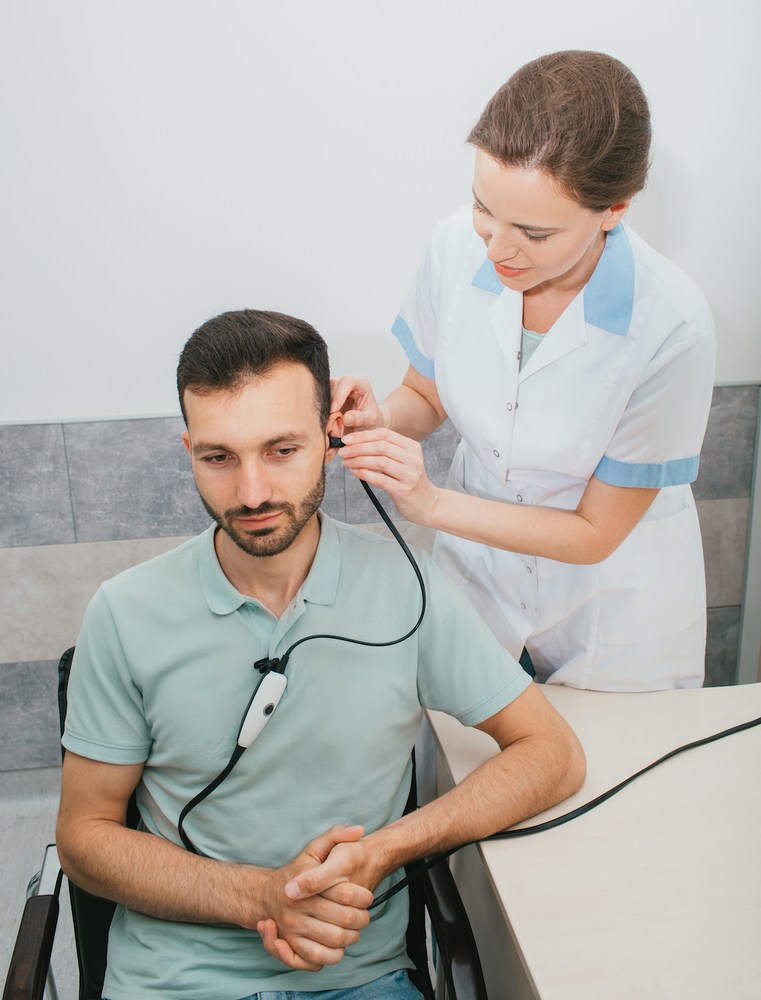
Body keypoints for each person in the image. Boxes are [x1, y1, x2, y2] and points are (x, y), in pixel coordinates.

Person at [56, 309, 585, 1000]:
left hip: (360, 977)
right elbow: (84, 836)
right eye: (218, 457)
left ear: (332, 441)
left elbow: (552, 754)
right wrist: (258, 896)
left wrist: (386, 849)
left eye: (281, 450)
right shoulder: (125, 612)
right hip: (173, 980)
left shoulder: (406, 588)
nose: (251, 493)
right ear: (188, 448)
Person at [331, 50, 716, 692]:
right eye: (485, 207)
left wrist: (430, 504)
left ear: (614, 209)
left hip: (615, 603)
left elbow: (595, 533)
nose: (498, 247)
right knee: (464, 759)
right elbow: (425, 395)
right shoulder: (455, 245)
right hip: (479, 573)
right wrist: (381, 417)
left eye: (534, 234)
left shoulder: (673, 325)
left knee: (615, 777)